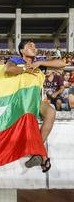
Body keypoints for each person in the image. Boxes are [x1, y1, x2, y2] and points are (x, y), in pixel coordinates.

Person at [5, 39, 66, 172]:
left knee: (51, 112)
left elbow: (62, 63)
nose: (34, 47)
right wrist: (26, 69)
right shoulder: (16, 60)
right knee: (28, 118)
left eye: (34, 45)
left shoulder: (40, 63)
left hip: (37, 101)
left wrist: (39, 63)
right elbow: (8, 69)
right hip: (22, 101)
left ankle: (37, 153)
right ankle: (42, 155)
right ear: (22, 51)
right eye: (30, 46)